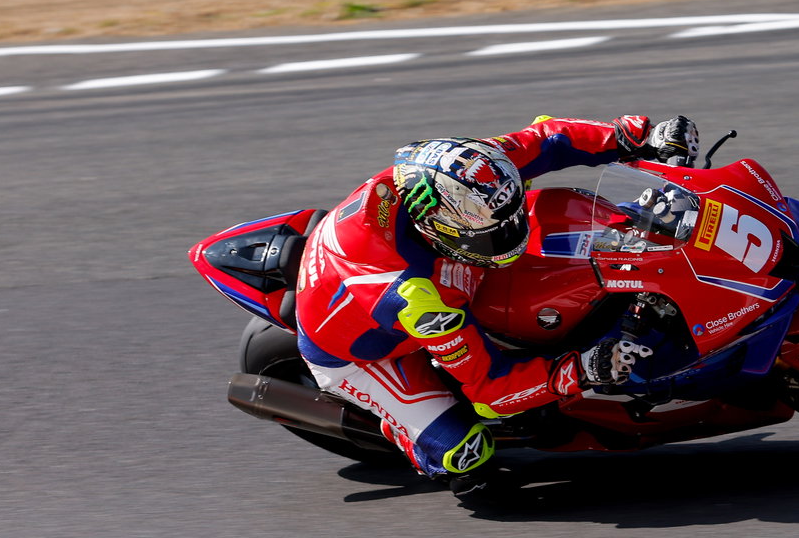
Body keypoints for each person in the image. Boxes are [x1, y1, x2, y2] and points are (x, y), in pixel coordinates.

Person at [293, 114, 699, 498]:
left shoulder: (465, 172)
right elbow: (490, 389)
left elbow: (546, 140)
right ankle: (410, 438)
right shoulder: (418, 301)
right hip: (367, 354)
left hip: (447, 268)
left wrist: (638, 137)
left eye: (511, 218)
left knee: (602, 235)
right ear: (439, 229)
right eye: (496, 233)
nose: (512, 232)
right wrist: (583, 368)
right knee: (470, 458)